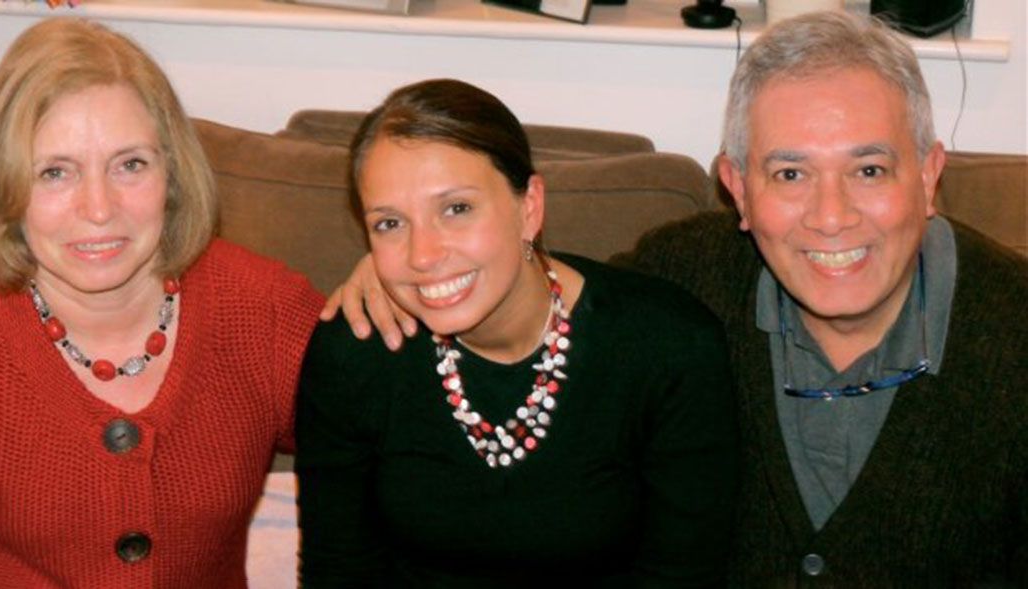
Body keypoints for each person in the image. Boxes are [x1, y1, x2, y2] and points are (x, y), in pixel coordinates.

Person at [330, 12, 1027, 586]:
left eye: (869, 168)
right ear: (738, 188)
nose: (832, 214)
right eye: (790, 172)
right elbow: (541, 291)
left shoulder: (1014, 334)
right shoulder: (682, 282)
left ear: (931, 173)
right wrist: (411, 264)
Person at [0, 18, 322, 586]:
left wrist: (395, 280)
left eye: (130, 165)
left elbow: (405, 441)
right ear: (5, 183)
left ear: (173, 173)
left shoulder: (265, 310)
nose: (98, 208)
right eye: (55, 172)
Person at [295, 78, 739, 587]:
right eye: (390, 223)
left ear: (529, 207)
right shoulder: (356, 350)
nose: (422, 256)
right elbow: (339, 571)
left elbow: (683, 576)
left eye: (456, 209)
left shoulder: (667, 349)